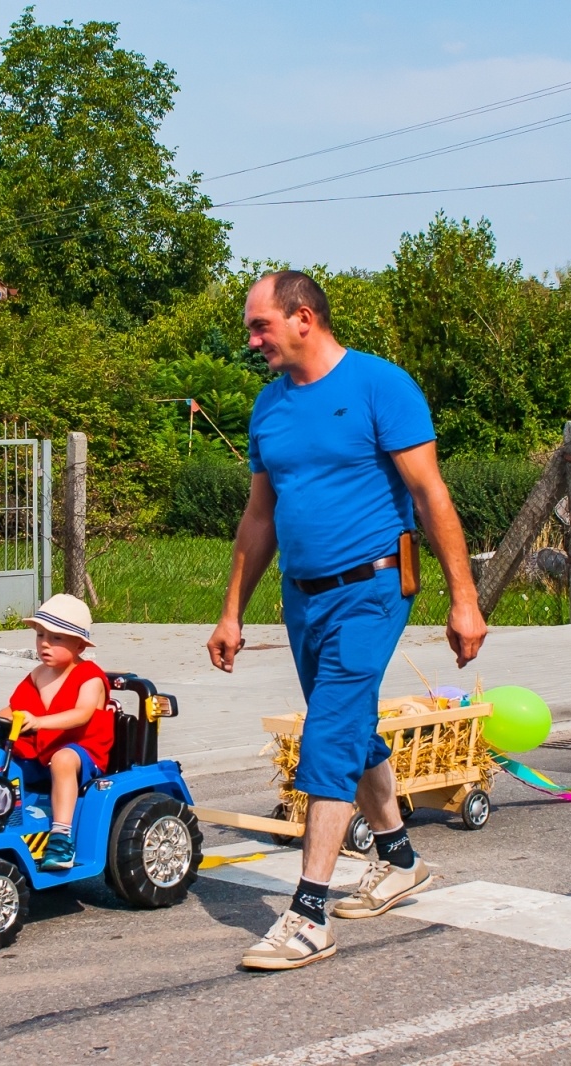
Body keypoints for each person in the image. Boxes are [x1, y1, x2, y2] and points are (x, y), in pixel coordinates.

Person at [207, 270, 486, 971]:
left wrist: (464, 598)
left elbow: (430, 495)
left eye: (260, 326)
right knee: (350, 726)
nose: (252, 340)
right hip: (303, 597)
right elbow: (259, 517)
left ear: (303, 317)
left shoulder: (380, 386)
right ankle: (399, 859)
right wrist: (231, 612)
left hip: (374, 587)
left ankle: (308, 915)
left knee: (328, 733)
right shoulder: (269, 407)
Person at [0, 593, 112, 871]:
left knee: (63, 760)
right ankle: (2, 821)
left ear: (79, 645)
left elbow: (82, 714)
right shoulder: (39, 674)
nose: (45, 644)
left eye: (56, 638)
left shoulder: (90, 677)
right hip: (42, 750)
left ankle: (61, 838)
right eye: (40, 635)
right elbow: (15, 708)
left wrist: (39, 722)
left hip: (83, 752)